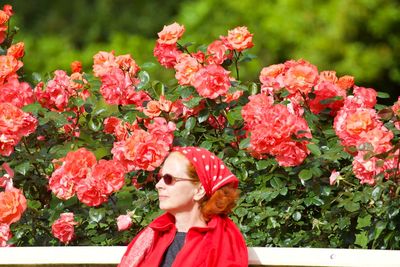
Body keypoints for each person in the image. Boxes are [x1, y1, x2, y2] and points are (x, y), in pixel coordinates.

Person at [119, 146, 248, 267]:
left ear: (199, 190)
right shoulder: (155, 235)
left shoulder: (220, 244)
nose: (158, 185)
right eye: (160, 177)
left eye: (169, 179)